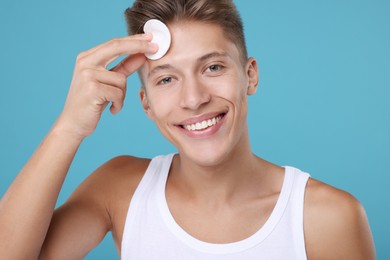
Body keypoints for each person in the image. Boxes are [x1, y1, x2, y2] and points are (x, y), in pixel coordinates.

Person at [0, 0, 375, 259]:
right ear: (145, 103)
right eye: (166, 79)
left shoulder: (328, 217)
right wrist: (68, 128)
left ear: (250, 75)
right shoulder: (118, 189)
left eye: (212, 67)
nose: (193, 99)